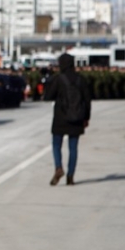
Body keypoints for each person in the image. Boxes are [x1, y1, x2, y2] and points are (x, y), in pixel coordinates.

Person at [43, 53, 92, 186]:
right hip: (77, 117)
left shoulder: (58, 79)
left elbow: (48, 96)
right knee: (73, 148)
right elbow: (87, 99)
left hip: (60, 117)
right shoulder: (80, 79)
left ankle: (58, 167)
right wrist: (86, 117)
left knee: (56, 144)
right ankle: (70, 176)